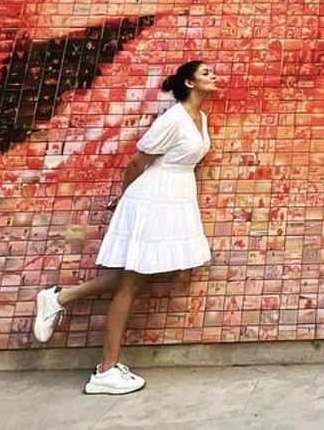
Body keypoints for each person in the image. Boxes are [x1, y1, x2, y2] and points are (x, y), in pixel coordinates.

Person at [31, 61, 218, 394]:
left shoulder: (200, 119)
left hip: (175, 197)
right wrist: (126, 197)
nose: (213, 76)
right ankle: (104, 370)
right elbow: (138, 160)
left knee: (138, 276)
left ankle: (60, 298)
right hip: (152, 198)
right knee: (130, 284)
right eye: (205, 73)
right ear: (189, 83)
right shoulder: (172, 119)